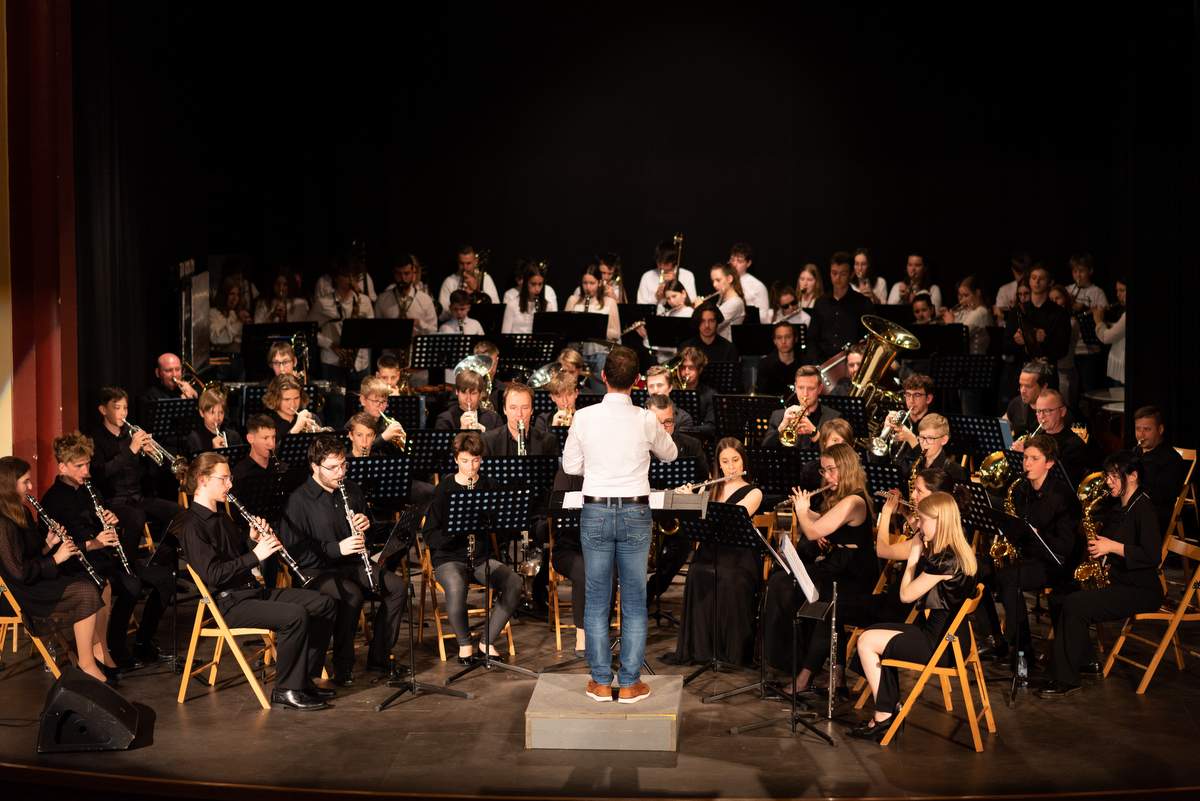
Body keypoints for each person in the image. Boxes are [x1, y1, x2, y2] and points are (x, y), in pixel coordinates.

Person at [175, 452, 336, 710]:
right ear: (203, 480)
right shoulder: (192, 525)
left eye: (230, 478)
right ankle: (286, 689)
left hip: (250, 593)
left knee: (324, 603)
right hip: (228, 604)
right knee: (295, 616)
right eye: (224, 479)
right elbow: (213, 575)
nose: (230, 485)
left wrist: (253, 540)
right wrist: (256, 555)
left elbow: (240, 556)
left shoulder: (222, 515)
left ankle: (304, 679)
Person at [563, 345, 677, 704]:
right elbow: (670, 453)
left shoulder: (584, 417)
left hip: (596, 509)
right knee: (634, 601)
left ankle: (599, 681)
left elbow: (570, 466)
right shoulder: (645, 418)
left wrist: (599, 463)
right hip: (634, 512)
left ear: (604, 377)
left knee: (597, 600)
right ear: (638, 381)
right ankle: (628, 682)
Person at [279, 435, 405, 684]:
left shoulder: (351, 490)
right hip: (316, 571)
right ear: (315, 467)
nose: (340, 472)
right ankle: (342, 665)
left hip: (351, 565)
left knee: (398, 587)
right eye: (333, 467)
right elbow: (295, 552)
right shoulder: (298, 501)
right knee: (352, 594)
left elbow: (367, 533)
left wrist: (366, 525)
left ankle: (379, 658)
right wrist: (337, 548)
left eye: (343, 465)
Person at [852, 491, 977, 740]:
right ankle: (888, 708)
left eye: (922, 520)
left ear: (939, 521)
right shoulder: (955, 552)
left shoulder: (946, 561)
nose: (918, 525)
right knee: (872, 633)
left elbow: (906, 596)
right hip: (949, 638)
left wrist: (913, 556)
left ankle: (884, 715)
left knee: (866, 641)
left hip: (940, 646)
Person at [42, 432, 173, 670]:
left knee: (158, 580)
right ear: (62, 466)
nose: (86, 471)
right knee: (129, 586)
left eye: (88, 464)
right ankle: (107, 648)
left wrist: (110, 520)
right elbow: (64, 543)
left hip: (101, 558)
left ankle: (129, 644)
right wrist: (97, 541)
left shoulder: (88, 489)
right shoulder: (53, 499)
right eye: (79, 466)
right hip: (77, 564)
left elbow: (100, 519)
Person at [1038, 451, 1164, 698]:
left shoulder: (1144, 508)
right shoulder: (1120, 506)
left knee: (1076, 604)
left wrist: (1112, 547)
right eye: (1108, 476)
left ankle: (1067, 678)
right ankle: (1084, 660)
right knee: (1059, 597)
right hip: (1119, 580)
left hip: (1141, 589)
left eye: (1115, 476)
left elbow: (1152, 556)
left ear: (1134, 476)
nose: (1109, 481)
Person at [763, 443, 877, 695]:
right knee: (784, 581)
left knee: (810, 595)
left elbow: (813, 530)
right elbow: (822, 522)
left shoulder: (854, 501)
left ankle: (802, 674)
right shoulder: (844, 500)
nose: (827, 477)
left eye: (832, 470)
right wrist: (807, 511)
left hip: (853, 575)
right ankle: (824, 673)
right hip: (840, 567)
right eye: (824, 471)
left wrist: (802, 512)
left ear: (846, 469)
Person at [0, 456, 113, 684]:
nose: (31, 487)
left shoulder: (21, 511)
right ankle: (86, 663)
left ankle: (94, 654)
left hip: (36, 578)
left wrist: (49, 545)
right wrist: (56, 559)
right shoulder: (2, 522)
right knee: (84, 591)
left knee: (96, 583)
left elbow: (30, 555)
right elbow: (19, 572)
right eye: (25, 482)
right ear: (9, 486)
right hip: (22, 591)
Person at [422, 432, 523, 663]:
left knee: (513, 583)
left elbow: (504, 526)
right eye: (465, 461)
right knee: (457, 586)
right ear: (456, 459)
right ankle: (465, 644)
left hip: (479, 558)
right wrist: (455, 531)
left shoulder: (489, 485)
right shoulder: (444, 489)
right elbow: (429, 534)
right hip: (449, 557)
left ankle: (486, 642)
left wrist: (497, 520)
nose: (471, 467)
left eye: (476, 461)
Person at [988, 435, 1080, 669]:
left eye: (1034, 459)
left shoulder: (1063, 496)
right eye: (1025, 458)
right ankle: (1009, 643)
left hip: (1058, 564)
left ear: (1049, 463)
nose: (1027, 464)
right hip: (1031, 558)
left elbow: (1065, 546)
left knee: (1009, 578)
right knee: (987, 572)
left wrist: (1038, 534)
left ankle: (1021, 651)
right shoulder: (1021, 489)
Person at [670, 438, 763, 666]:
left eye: (735, 460)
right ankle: (702, 650)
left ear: (743, 462)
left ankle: (730, 653)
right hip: (710, 552)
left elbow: (735, 516)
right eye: (725, 461)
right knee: (697, 573)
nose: (731, 467)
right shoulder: (709, 488)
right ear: (718, 464)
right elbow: (696, 525)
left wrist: (701, 500)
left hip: (739, 556)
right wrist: (686, 500)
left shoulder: (754, 492)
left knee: (730, 579)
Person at [89, 386, 180, 550]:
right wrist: (131, 450)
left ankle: (164, 557)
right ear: (103, 410)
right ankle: (128, 567)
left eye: (125, 408)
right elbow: (100, 474)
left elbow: (151, 474)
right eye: (117, 408)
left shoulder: (131, 434)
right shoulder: (95, 438)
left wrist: (148, 455)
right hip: (112, 501)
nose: (123, 413)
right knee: (136, 517)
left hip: (138, 498)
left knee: (177, 512)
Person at [644, 394, 711, 608]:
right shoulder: (637, 447)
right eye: (658, 423)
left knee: (682, 546)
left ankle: (651, 591)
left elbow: (704, 481)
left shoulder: (691, 446)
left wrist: (691, 491)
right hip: (644, 510)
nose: (664, 428)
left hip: (676, 513)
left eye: (668, 422)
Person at [309, 258, 375, 381]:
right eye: (346, 275)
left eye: (354, 276)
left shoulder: (364, 301)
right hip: (332, 361)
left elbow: (371, 329)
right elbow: (309, 330)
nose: (351, 280)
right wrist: (330, 344)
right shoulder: (323, 303)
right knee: (336, 401)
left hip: (361, 363)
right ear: (336, 278)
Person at [806, 252, 874, 362]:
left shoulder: (863, 303)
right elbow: (812, 339)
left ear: (851, 274)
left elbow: (868, 339)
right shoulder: (821, 303)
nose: (837, 278)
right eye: (834, 273)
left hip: (852, 363)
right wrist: (816, 363)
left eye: (843, 274)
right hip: (823, 363)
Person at [1011, 264, 1070, 384]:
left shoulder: (1059, 313)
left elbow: (1063, 349)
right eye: (1033, 277)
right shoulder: (1018, 310)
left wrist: (1044, 340)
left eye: (1041, 278)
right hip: (1022, 373)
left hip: (1047, 375)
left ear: (1049, 282)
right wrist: (1017, 341)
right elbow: (1006, 345)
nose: (1036, 281)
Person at [1016, 388, 1089, 485]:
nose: (1041, 416)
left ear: (1062, 412)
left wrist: (1026, 455)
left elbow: (1059, 481)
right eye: (1038, 411)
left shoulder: (1073, 445)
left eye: (1047, 411)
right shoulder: (1035, 438)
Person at [1132, 406, 1189, 530]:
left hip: (1153, 517)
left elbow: (1161, 497)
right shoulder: (1135, 452)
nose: (1141, 434)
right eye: (1138, 429)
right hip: (1133, 509)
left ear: (1160, 429)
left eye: (1147, 429)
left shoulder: (1172, 460)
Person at [761, 365, 843, 449]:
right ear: (795, 387)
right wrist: (782, 426)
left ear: (820, 388)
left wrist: (815, 434)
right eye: (800, 388)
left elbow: (836, 454)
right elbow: (765, 450)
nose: (805, 393)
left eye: (811, 388)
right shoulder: (777, 416)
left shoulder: (834, 418)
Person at [1065, 254, 1108, 395]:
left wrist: (1083, 308)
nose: (1078, 275)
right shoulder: (1067, 290)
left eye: (1081, 271)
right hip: (1070, 350)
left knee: (1088, 389)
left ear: (1090, 271)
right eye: (1075, 271)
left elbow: (1103, 316)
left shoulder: (1097, 292)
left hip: (1089, 350)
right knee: (1072, 389)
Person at [482, 383, 559, 456]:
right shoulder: (488, 441)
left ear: (532, 410)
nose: (519, 414)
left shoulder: (548, 441)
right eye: (513, 408)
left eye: (525, 408)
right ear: (504, 410)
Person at [374, 253, 438, 335]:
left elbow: (434, 331)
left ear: (413, 273)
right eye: (398, 274)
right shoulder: (382, 299)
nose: (403, 278)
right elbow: (376, 331)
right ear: (394, 273)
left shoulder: (425, 300)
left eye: (406, 273)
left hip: (415, 346)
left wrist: (419, 323)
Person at [882, 374, 936, 466]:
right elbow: (876, 460)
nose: (911, 400)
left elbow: (929, 465)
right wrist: (884, 431)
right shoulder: (898, 419)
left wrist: (911, 439)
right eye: (908, 394)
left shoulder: (935, 425)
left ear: (928, 399)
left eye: (917, 395)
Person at [636, 239, 698, 312]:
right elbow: (640, 307)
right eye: (659, 262)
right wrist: (656, 298)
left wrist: (677, 284)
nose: (662, 266)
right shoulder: (647, 277)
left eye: (666, 263)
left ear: (673, 261)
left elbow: (693, 304)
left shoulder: (687, 275)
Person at [262, 374, 325, 444]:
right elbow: (274, 452)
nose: (293, 404)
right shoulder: (266, 423)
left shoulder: (310, 417)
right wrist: (297, 428)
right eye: (287, 399)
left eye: (296, 398)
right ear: (275, 399)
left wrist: (318, 436)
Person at [438, 244, 500, 315]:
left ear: (476, 261)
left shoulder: (486, 279)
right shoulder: (449, 282)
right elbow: (442, 314)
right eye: (461, 263)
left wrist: (476, 290)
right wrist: (462, 299)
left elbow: (496, 306)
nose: (465, 267)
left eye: (468, 263)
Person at [433, 370, 502, 432]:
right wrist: (461, 431)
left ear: (480, 394)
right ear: (457, 392)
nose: (468, 398)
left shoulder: (494, 419)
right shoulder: (445, 420)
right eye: (464, 392)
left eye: (473, 393)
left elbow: (500, 445)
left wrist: (484, 433)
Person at [673, 347, 719, 440]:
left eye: (691, 367)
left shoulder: (710, 394)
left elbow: (710, 428)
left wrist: (684, 430)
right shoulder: (673, 392)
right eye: (683, 367)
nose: (686, 372)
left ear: (700, 369)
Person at [353, 377, 407, 454]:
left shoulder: (387, 423)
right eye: (376, 401)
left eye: (384, 401)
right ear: (363, 400)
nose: (380, 406)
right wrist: (384, 437)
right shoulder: (354, 424)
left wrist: (400, 440)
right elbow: (359, 451)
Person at [138, 353, 198, 421]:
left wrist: (196, 398)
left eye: (178, 369)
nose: (174, 375)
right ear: (158, 373)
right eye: (168, 370)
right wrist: (182, 403)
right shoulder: (149, 396)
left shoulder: (189, 389)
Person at [501, 261, 556, 334]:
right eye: (533, 284)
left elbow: (550, 334)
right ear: (525, 284)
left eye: (540, 284)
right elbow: (505, 335)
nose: (537, 289)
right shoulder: (512, 305)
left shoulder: (548, 306)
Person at [185, 388, 244, 454]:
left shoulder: (234, 437)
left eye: (221, 412)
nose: (217, 418)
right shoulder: (195, 439)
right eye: (212, 412)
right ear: (201, 413)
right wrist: (215, 452)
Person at [1004, 360, 1052, 438]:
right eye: (1021, 385)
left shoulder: (1054, 412)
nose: (1022, 391)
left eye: (1028, 386)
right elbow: (1003, 427)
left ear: (1043, 387)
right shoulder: (1016, 403)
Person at [1093, 278, 1126, 386]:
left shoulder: (1127, 315)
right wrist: (1110, 325)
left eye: (1122, 290)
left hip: (1121, 366)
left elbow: (1106, 338)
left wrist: (1098, 321)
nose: (1118, 295)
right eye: (1117, 290)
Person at [699, 263, 745, 339]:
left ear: (729, 279)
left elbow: (712, 325)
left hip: (726, 348)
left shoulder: (735, 302)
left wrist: (700, 307)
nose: (714, 285)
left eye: (718, 280)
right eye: (713, 281)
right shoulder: (721, 298)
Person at [755, 321, 801, 397]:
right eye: (779, 337)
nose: (783, 341)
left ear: (795, 339)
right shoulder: (765, 365)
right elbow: (762, 395)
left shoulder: (805, 364)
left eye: (788, 337)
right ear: (774, 341)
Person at [644, 365, 695, 430]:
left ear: (670, 387)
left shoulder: (683, 419)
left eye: (660, 385)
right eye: (651, 386)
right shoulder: (640, 417)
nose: (655, 390)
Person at [210, 275, 250, 353]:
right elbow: (216, 339)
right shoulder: (213, 313)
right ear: (224, 295)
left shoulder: (233, 314)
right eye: (232, 294)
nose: (235, 298)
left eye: (237, 295)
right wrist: (240, 323)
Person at [728, 242, 769, 318]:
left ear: (748, 263)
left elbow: (764, 316)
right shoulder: (726, 282)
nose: (734, 264)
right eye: (732, 260)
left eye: (739, 261)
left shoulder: (758, 286)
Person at [994, 252, 1031, 316]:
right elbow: (999, 314)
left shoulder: (1034, 287)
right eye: (1019, 273)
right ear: (1013, 270)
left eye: (1025, 272)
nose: (1022, 276)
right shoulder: (1004, 290)